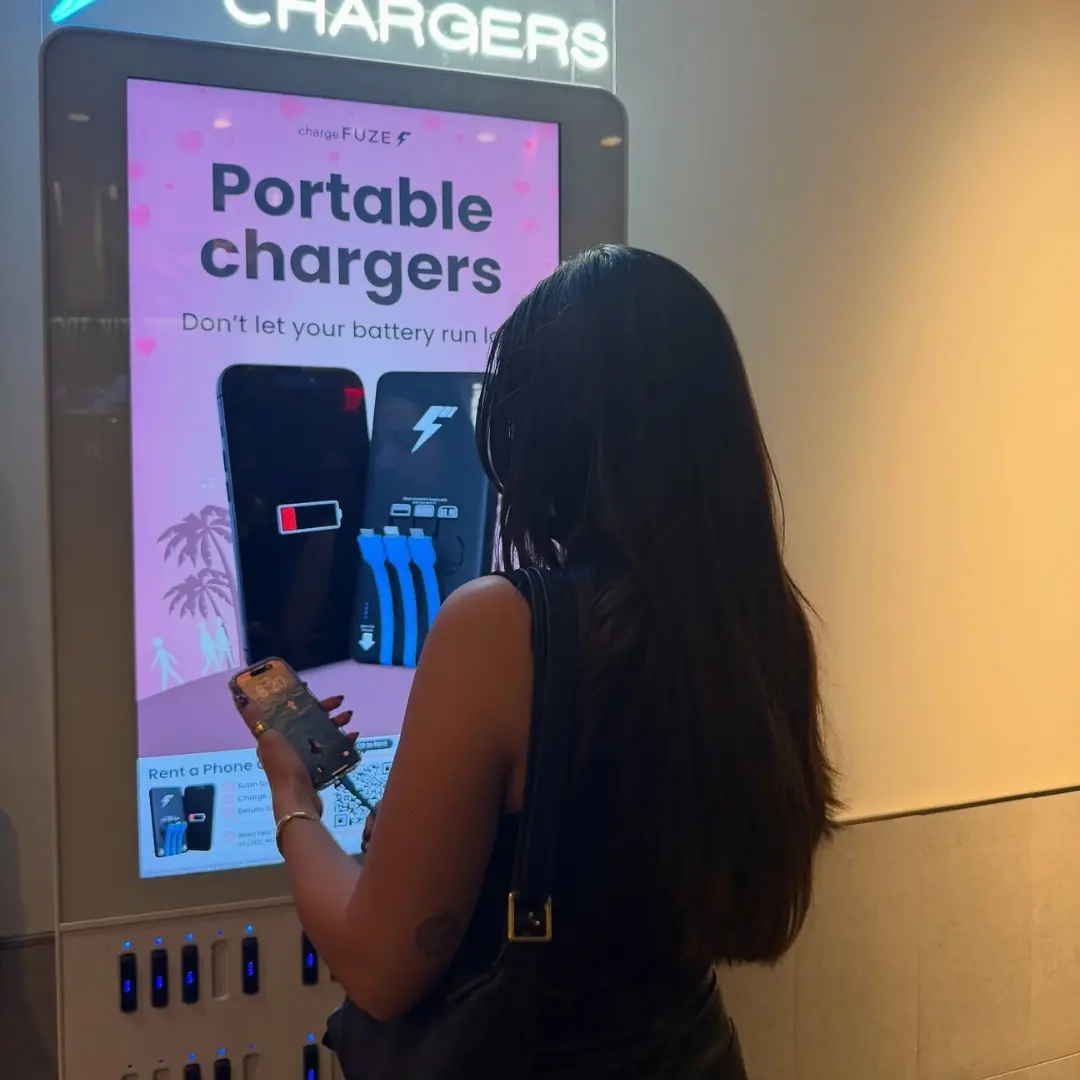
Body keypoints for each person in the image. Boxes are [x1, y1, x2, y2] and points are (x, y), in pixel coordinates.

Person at [236, 245, 839, 1078]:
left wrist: (292, 794)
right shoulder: (762, 625)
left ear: (546, 436)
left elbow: (378, 967)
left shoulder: (499, 626)